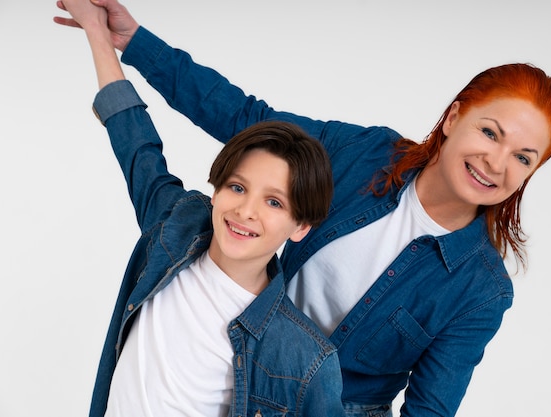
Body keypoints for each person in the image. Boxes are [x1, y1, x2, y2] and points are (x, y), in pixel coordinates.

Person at [54, 1, 551, 416]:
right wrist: (134, 44)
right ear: (455, 116)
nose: (495, 162)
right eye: (490, 132)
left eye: (523, 157)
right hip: (225, 349)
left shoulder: (480, 289)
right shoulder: (363, 153)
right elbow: (247, 120)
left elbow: (430, 408)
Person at [54, 1, 347, 416]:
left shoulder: (305, 358)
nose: (245, 211)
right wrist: (97, 33)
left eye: (274, 201)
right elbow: (135, 140)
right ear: (216, 190)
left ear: (300, 226)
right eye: (237, 187)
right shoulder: (175, 227)